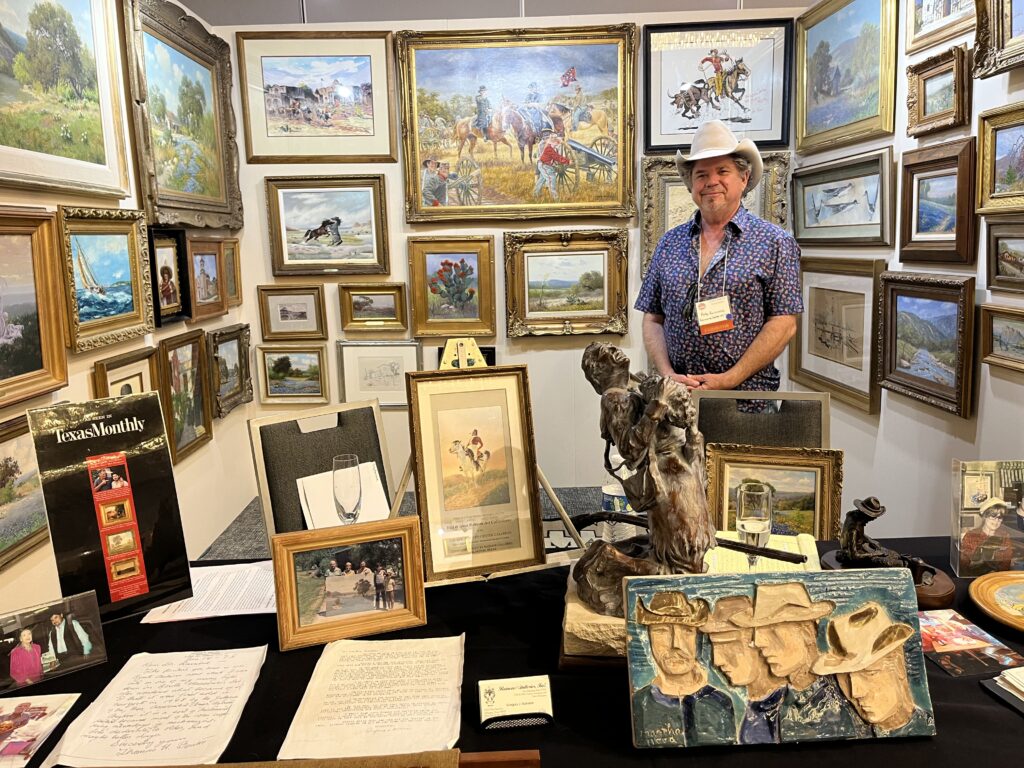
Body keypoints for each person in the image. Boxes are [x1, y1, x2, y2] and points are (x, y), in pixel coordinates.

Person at [635, 120, 802, 413]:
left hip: (746, 405)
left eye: (722, 171)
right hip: (677, 402)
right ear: (691, 186)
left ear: (744, 177)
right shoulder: (669, 244)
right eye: (701, 174)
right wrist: (666, 373)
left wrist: (728, 379)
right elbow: (653, 318)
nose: (711, 181)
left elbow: (784, 324)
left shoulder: (774, 242)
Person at [732, 582, 866, 742]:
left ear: (808, 632)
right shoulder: (767, 705)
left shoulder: (837, 703)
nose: (758, 641)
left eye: (773, 629)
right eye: (757, 632)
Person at [813, 603, 934, 737]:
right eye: (844, 678)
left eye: (869, 673)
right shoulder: (840, 728)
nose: (856, 692)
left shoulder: (922, 725)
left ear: (899, 666)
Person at [631, 591, 735, 747]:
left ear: (698, 639)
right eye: (661, 630)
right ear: (648, 638)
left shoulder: (720, 703)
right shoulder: (640, 703)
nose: (676, 644)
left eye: (687, 631)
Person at [699, 596, 785, 744]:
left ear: (759, 643)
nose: (717, 660)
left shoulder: (787, 704)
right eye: (714, 646)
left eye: (730, 646)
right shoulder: (752, 705)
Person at [960, 498, 1019, 575]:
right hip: (973, 578)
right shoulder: (972, 535)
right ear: (985, 516)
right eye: (993, 516)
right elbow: (964, 563)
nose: (996, 521)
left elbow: (1006, 562)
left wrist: (995, 574)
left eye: (999, 517)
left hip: (996, 578)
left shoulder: (1004, 536)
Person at [533, 130, 570, 201]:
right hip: (543, 165)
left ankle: (535, 193)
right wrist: (568, 161)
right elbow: (557, 157)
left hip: (545, 164)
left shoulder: (552, 146)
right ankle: (556, 199)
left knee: (542, 179)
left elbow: (559, 146)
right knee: (551, 178)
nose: (556, 143)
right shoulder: (548, 148)